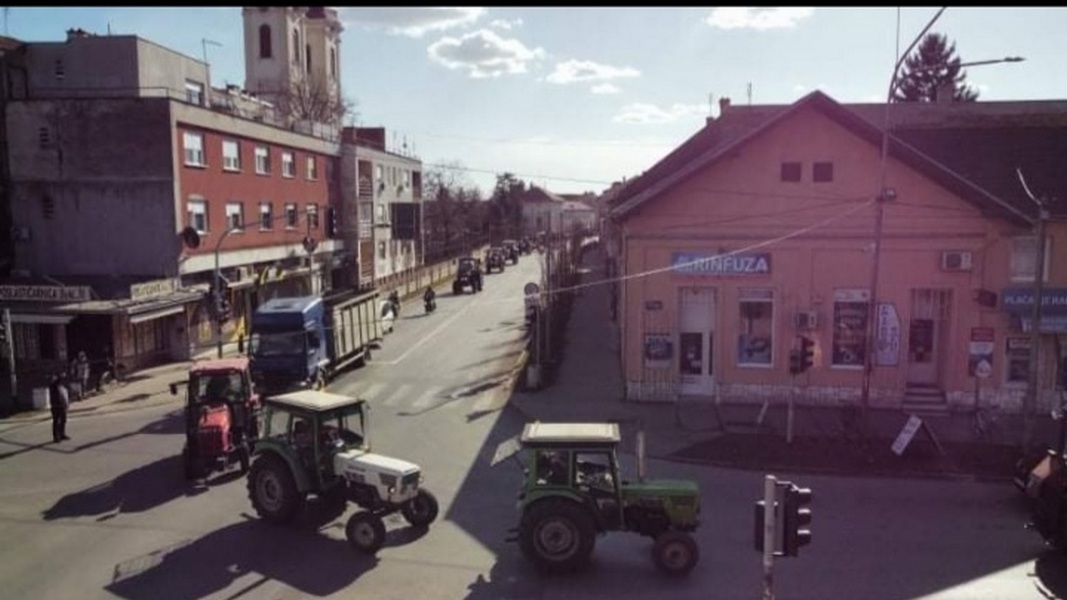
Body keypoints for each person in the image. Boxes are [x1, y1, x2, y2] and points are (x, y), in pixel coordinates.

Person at [49, 373, 71, 443]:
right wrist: (61, 376)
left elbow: (64, 395)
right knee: (56, 421)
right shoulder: (53, 386)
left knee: (63, 420)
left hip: (62, 405)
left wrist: (66, 403)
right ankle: (56, 437)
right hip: (56, 406)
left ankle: (62, 434)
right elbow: (57, 380)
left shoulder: (61, 386)